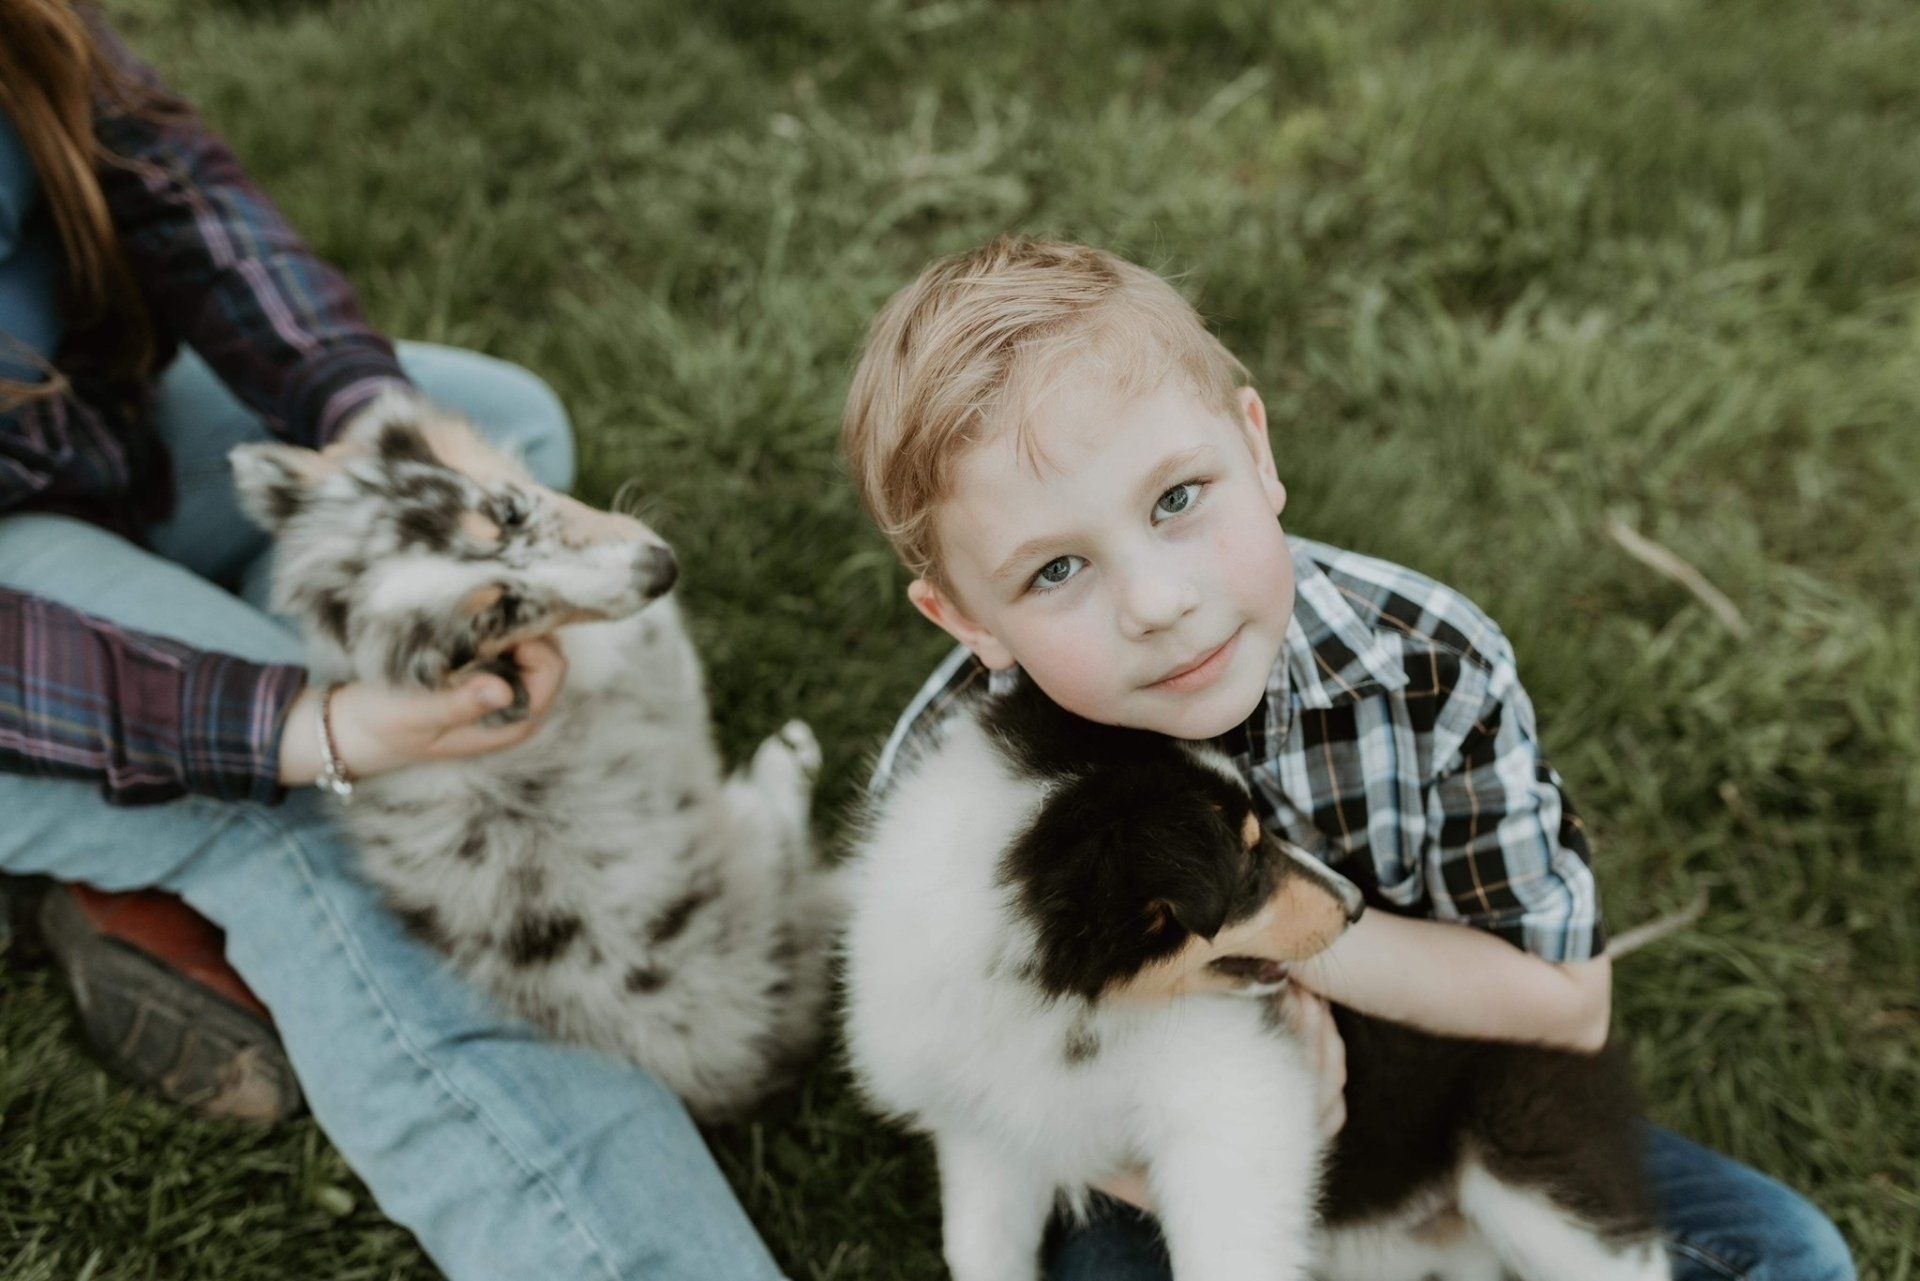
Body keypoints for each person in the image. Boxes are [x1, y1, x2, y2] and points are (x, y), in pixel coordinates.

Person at [843, 235, 1856, 1280]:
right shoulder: (955, 783)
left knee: (1789, 1256)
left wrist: (1284, 939)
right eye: (1057, 568)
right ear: (967, 621)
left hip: (1434, 1119)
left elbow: (1567, 1003)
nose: (1157, 604)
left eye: (1177, 499)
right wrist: (1196, 1154)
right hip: (1136, 1148)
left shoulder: (1429, 664)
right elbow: (960, 1066)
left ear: (1258, 451)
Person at [0, 5, 787, 1278]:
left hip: (77, 452)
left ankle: (133, 818)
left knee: (494, 422)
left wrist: (371, 423)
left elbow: (170, 183)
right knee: (358, 821)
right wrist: (303, 732)